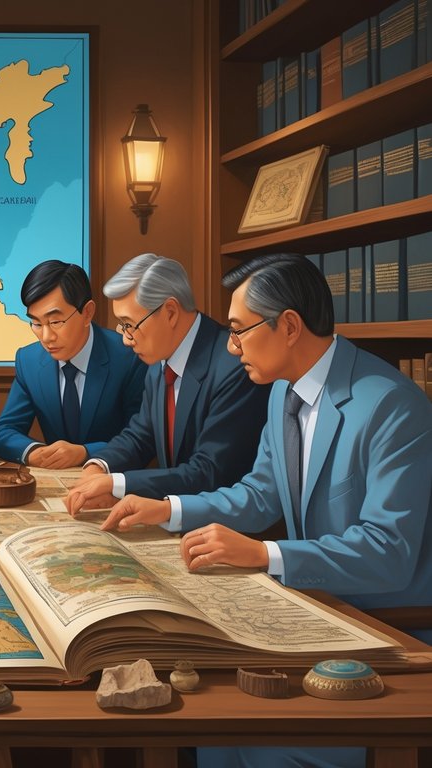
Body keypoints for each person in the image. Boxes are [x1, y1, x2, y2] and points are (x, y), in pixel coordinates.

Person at [99, 253, 432, 768]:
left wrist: (264, 554)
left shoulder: (392, 405)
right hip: (316, 616)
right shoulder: (281, 392)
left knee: (243, 730)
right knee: (209, 724)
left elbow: (388, 551)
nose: (230, 348)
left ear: (290, 326)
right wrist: (166, 509)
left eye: (238, 332)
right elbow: (258, 495)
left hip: (387, 640)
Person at [64, 253, 269, 514]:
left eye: (130, 325)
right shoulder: (159, 362)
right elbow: (140, 436)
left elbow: (208, 472)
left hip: (223, 531)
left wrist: (116, 483)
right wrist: (99, 466)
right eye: (122, 326)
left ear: (170, 312)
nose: (126, 340)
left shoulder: (233, 366)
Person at [0, 260, 146, 467]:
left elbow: (141, 439)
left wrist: (85, 453)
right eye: (36, 323)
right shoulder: (28, 360)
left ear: (87, 313)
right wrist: (34, 452)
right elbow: (4, 432)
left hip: (113, 481)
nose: (46, 337)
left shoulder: (129, 356)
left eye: (55, 322)